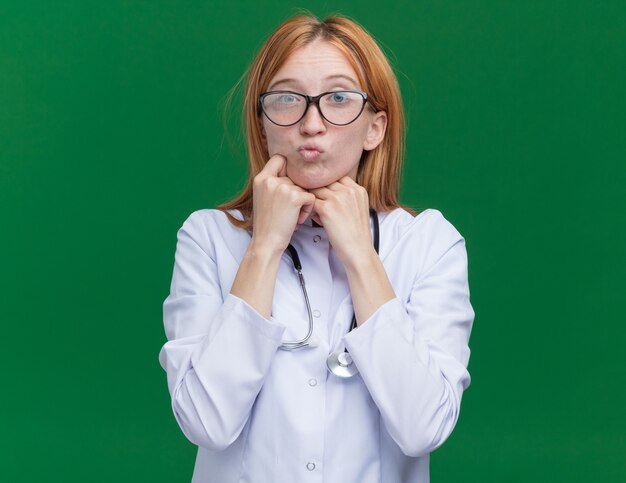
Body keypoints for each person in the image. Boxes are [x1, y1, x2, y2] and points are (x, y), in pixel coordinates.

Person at [159, 13, 474, 483]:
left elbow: (423, 428)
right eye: (287, 100)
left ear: (375, 128)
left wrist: (361, 256)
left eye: (339, 99)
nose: (311, 124)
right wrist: (264, 247)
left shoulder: (428, 243)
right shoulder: (208, 237)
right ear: (263, 123)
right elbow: (207, 422)